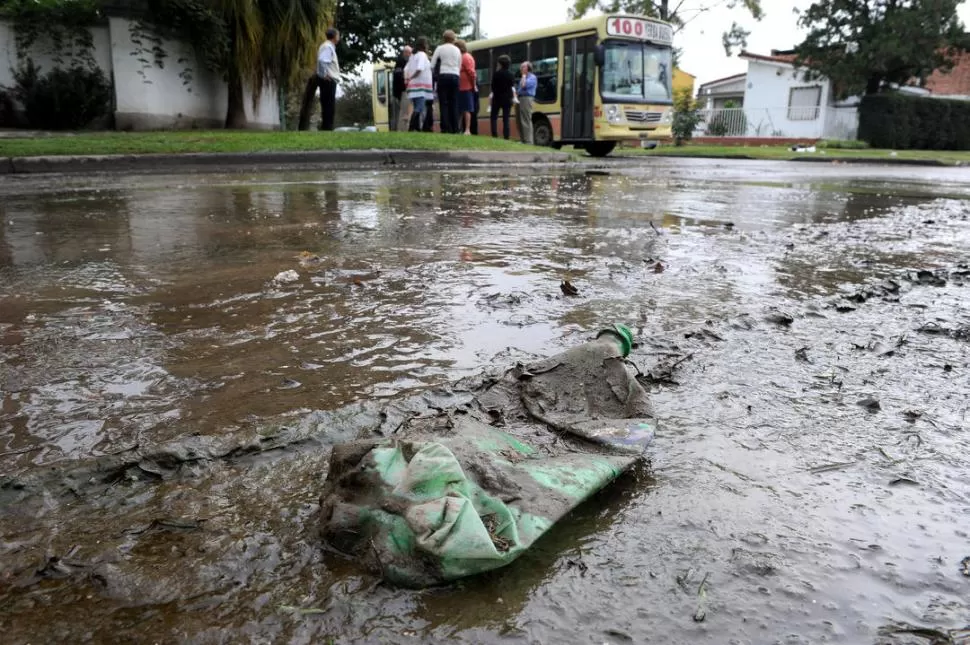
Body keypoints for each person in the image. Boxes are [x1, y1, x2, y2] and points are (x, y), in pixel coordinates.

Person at [430, 30, 461, 133]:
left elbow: (432, 65)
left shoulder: (440, 48)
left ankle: (445, 128)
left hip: (443, 76)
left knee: (443, 103)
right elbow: (459, 65)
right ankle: (455, 128)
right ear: (453, 39)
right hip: (455, 76)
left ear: (444, 38)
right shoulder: (457, 50)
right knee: (454, 102)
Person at [404, 37, 433, 132]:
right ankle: (412, 127)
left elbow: (406, 69)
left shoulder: (413, 56)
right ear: (424, 45)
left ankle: (416, 127)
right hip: (421, 85)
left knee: (417, 106)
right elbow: (420, 69)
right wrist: (413, 76)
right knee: (419, 107)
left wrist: (408, 79)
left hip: (413, 85)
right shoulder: (422, 55)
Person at [316, 28, 341, 131]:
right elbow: (322, 60)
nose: (339, 38)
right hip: (328, 80)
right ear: (334, 36)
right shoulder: (328, 47)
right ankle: (327, 128)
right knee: (329, 105)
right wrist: (324, 74)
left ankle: (327, 127)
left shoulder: (327, 46)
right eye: (338, 35)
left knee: (327, 104)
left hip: (327, 79)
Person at [490, 55, 515, 140]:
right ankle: (506, 136)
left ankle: (494, 134)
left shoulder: (496, 74)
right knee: (506, 118)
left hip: (497, 98)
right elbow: (512, 85)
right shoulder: (510, 74)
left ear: (500, 64)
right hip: (507, 98)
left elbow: (493, 86)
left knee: (494, 117)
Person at [456, 39, 477, 135]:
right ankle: (458, 128)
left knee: (466, 109)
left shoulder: (466, 57)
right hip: (460, 87)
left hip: (466, 87)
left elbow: (472, 73)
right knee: (460, 109)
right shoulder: (461, 57)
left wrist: (473, 85)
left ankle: (467, 129)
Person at [392, 45, 412, 132]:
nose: (410, 55)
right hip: (404, 91)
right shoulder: (402, 62)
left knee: (402, 112)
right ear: (405, 53)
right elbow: (400, 78)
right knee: (404, 112)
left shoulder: (399, 63)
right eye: (409, 53)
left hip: (400, 91)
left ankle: (401, 129)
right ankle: (403, 129)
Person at [517, 61, 537, 145]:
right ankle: (523, 139)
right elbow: (519, 88)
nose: (521, 68)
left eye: (523, 67)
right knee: (520, 120)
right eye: (521, 67)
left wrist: (524, 76)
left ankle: (528, 141)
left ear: (528, 68)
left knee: (526, 119)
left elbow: (524, 85)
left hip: (527, 98)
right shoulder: (523, 77)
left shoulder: (532, 77)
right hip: (520, 98)